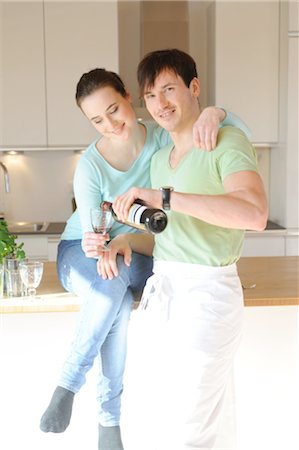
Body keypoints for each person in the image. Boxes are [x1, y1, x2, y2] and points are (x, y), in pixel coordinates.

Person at [39, 67, 251, 450]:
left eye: (114, 110)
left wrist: (215, 112)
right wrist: (102, 245)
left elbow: (236, 131)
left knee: (117, 293)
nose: (110, 124)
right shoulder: (90, 164)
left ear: (128, 98)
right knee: (111, 294)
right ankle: (84, 397)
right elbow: (94, 230)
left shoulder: (159, 139)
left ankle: (104, 418)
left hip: (136, 248)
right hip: (82, 251)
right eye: (97, 120)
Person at [102, 49, 268, 450]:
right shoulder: (161, 158)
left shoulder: (226, 140)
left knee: (189, 431)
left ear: (194, 88)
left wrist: (166, 196)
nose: (160, 104)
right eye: (151, 95)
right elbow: (173, 238)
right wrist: (128, 238)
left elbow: (255, 213)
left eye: (169, 89)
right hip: (166, 296)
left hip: (208, 298)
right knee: (171, 422)